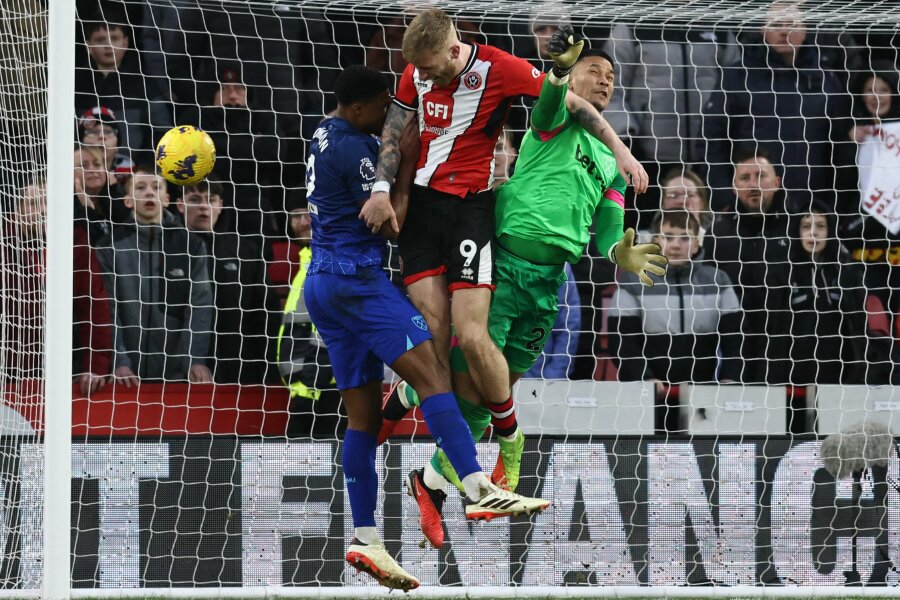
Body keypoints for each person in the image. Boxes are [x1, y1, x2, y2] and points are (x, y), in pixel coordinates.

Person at [381, 38, 666, 549]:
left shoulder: (610, 160)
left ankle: (428, 482)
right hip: (506, 266)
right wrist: (556, 76)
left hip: (550, 282)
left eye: (612, 76)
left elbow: (609, 222)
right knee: (480, 387)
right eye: (594, 70)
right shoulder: (555, 121)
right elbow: (553, 102)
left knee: (490, 395)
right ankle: (462, 458)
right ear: (575, 79)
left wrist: (619, 251)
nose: (605, 80)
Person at [304, 64, 549, 590]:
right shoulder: (357, 149)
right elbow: (387, 219)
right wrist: (410, 160)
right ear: (362, 108)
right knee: (435, 372)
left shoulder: (322, 133)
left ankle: (366, 538)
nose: (389, 122)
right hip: (358, 284)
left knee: (363, 421)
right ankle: (479, 484)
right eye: (383, 112)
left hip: (321, 285)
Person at [701, 0, 849, 211]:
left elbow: (841, 148)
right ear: (763, 29)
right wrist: (724, 198)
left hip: (812, 210)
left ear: (806, 29)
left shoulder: (827, 80)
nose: (784, 31)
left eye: (791, 24)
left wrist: (835, 206)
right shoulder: (736, 77)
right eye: (776, 25)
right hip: (751, 206)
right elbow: (712, 141)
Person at [610, 209, 741, 429]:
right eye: (668, 236)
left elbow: (736, 338)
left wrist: (730, 377)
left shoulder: (719, 280)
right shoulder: (632, 281)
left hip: (706, 398)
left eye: (685, 237)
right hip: (647, 397)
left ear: (697, 243)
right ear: (655, 240)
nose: (676, 244)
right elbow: (623, 342)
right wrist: (644, 377)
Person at [603, 14, 739, 223]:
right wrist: (627, 137)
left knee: (707, 236)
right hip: (647, 161)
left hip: (711, 161)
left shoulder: (717, 24)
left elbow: (737, 86)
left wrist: (728, 139)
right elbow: (610, 89)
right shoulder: (633, 25)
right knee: (647, 235)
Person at [97, 164, 214, 385]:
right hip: (126, 375)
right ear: (128, 201)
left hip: (178, 374)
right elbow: (108, 308)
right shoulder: (110, 245)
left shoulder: (191, 245)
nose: (150, 192)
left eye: (156, 187)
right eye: (140, 187)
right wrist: (119, 360)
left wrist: (195, 359)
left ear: (167, 198)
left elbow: (200, 305)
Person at [0, 179, 112, 395]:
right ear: (16, 212)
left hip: (66, 368)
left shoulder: (77, 244)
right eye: (33, 204)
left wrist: (95, 366)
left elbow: (94, 308)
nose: (42, 211)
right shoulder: (4, 247)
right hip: (8, 370)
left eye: (48, 203)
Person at [175, 179, 275, 384]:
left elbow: (264, 312)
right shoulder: (168, 250)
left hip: (238, 368)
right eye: (194, 199)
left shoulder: (245, 251)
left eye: (210, 200)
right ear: (180, 205)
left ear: (220, 205)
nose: (203, 206)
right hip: (178, 371)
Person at [706, 148, 790, 383]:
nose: (753, 184)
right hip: (732, 350)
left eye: (761, 176)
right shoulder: (718, 234)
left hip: (787, 349)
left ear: (776, 182)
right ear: (734, 186)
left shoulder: (797, 228)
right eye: (745, 178)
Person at [765, 202, 868, 385]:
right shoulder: (780, 273)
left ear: (830, 230)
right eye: (806, 226)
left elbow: (860, 325)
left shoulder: (848, 272)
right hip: (790, 376)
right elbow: (770, 328)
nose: (813, 232)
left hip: (842, 376)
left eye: (820, 226)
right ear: (797, 232)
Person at [179, 62, 280, 242]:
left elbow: (273, 156)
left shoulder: (264, 118)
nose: (233, 95)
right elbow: (189, 160)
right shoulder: (193, 117)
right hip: (206, 207)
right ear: (213, 94)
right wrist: (250, 146)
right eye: (224, 89)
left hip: (253, 212)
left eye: (240, 88)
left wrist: (214, 146)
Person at [276, 205, 344, 438]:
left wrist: (309, 385)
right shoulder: (307, 260)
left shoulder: (330, 260)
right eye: (296, 215)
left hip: (324, 388)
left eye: (309, 213)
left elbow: (333, 326)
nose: (304, 221)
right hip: (309, 387)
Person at [76, 19, 172, 158]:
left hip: (135, 172)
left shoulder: (145, 84)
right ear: (88, 46)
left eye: (114, 38)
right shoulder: (75, 84)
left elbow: (162, 131)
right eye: (100, 39)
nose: (108, 45)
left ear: (126, 43)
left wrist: (143, 167)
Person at [523, 264, 581, 379]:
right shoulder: (492, 257)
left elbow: (568, 327)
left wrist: (555, 374)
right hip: (493, 376)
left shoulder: (560, 265)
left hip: (542, 377)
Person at [637, 168, 712, 248]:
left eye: (690, 195)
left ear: (702, 202)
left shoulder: (712, 239)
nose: (682, 201)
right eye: (673, 195)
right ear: (663, 202)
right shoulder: (644, 240)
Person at [78, 105, 134, 183]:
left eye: (108, 132)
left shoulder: (132, 175)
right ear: (81, 143)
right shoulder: (67, 175)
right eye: (93, 132)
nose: (102, 136)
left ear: (117, 146)